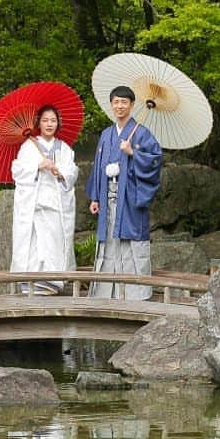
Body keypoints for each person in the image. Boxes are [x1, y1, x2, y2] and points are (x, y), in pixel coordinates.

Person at [85, 85, 163, 300]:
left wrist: (133, 152)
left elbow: (155, 161)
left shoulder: (142, 133)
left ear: (131, 105)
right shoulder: (106, 135)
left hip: (129, 198)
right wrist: (94, 197)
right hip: (107, 196)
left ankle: (134, 293)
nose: (120, 106)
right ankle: (105, 292)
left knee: (131, 240)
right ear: (111, 105)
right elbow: (98, 165)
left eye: (124, 102)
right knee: (108, 241)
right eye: (116, 102)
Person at [10, 104, 78, 295]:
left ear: (58, 123)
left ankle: (52, 281)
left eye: (53, 120)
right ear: (39, 122)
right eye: (45, 120)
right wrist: (38, 166)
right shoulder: (28, 146)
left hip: (55, 205)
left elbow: (72, 172)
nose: (49, 124)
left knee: (54, 242)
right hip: (35, 205)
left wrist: (60, 172)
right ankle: (31, 282)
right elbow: (18, 170)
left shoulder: (64, 148)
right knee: (33, 245)